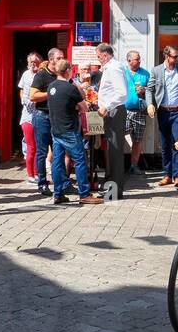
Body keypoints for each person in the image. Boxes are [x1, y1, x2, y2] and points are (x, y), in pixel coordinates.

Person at [44, 57, 104, 208]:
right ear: (67, 71)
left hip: (56, 129)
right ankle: (84, 194)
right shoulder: (70, 88)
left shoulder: (51, 87)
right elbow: (84, 106)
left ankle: (58, 194)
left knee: (57, 162)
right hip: (69, 129)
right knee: (80, 160)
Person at [146, 46, 178, 187]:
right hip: (163, 111)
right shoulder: (156, 70)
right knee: (165, 144)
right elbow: (149, 89)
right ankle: (167, 174)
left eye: (177, 56)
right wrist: (150, 104)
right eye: (174, 57)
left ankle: (177, 176)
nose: (176, 59)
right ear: (166, 56)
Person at [94, 42, 130, 201]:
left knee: (115, 152)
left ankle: (114, 192)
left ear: (105, 54)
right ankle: (112, 190)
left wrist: (106, 106)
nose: (98, 59)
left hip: (114, 111)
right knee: (111, 150)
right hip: (111, 112)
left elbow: (122, 93)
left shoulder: (114, 67)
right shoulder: (110, 67)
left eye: (98, 56)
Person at [26, 46, 63, 195]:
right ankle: (42, 183)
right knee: (42, 152)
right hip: (42, 116)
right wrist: (51, 92)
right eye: (59, 58)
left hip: (58, 117)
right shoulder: (41, 75)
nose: (62, 60)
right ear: (52, 59)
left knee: (58, 151)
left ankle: (61, 183)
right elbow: (32, 96)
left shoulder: (62, 74)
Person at [123, 50, 150, 173]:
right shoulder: (122, 72)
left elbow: (152, 90)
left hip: (139, 111)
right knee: (118, 136)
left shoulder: (145, 73)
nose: (139, 61)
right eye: (136, 59)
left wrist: (145, 90)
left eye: (139, 59)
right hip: (123, 110)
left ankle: (134, 166)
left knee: (137, 140)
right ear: (129, 60)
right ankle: (117, 165)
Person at [18, 52, 42, 183]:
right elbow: (21, 90)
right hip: (27, 115)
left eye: (36, 62)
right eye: (32, 62)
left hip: (39, 114)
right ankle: (30, 175)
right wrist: (23, 99)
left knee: (38, 147)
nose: (34, 65)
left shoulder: (41, 75)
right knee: (31, 146)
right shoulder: (25, 75)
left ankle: (37, 173)